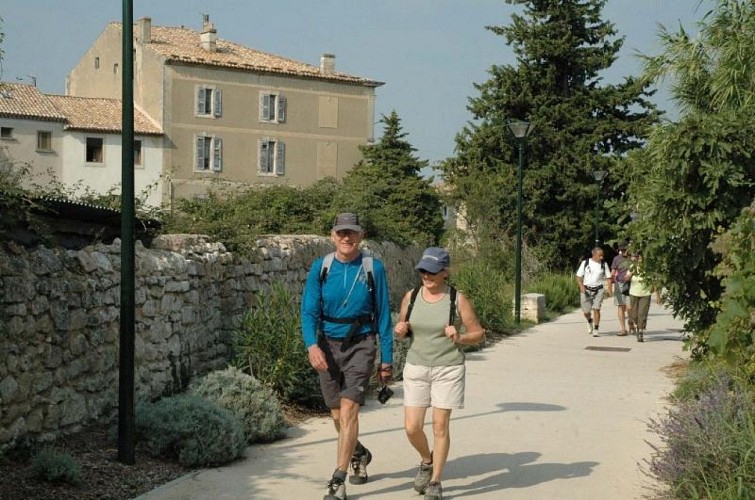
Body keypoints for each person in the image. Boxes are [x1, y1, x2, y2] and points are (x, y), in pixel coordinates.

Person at [301, 213, 393, 500]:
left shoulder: (372, 268)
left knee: (350, 409)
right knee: (336, 414)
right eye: (341, 233)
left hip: (361, 343)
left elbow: (384, 315)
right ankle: (359, 453)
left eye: (351, 233)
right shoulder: (321, 268)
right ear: (332, 236)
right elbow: (308, 311)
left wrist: (386, 359)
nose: (346, 238)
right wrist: (311, 345)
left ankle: (338, 480)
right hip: (326, 345)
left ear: (360, 235)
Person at [393, 247, 484, 500]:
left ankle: (435, 482)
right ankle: (426, 460)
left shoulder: (457, 298)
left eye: (432, 271)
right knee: (412, 428)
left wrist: (461, 337)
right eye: (423, 270)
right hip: (416, 366)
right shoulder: (411, 297)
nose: (426, 275)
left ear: (445, 272)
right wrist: (400, 331)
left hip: (448, 368)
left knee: (440, 426)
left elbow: (479, 333)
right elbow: (404, 329)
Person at [625, 251, 662, 342]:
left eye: (641, 257)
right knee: (633, 314)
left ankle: (640, 331)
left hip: (646, 293)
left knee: (642, 313)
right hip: (633, 293)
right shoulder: (633, 267)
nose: (640, 259)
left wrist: (657, 296)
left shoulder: (649, 268)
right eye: (638, 257)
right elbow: (626, 278)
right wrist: (630, 274)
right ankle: (633, 321)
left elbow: (654, 282)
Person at [576, 247, 613, 337]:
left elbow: (609, 277)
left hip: (599, 290)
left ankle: (596, 328)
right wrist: (581, 286)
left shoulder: (604, 264)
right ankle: (589, 320)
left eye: (602, 256)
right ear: (594, 254)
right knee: (586, 311)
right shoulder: (585, 263)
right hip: (586, 289)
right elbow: (578, 276)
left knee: (596, 309)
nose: (601, 258)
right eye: (600, 256)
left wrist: (609, 289)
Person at [610, 242, 632, 336]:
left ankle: (631, 321)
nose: (623, 251)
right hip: (619, 284)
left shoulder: (633, 258)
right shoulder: (616, 259)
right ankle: (623, 329)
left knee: (629, 307)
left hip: (631, 284)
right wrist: (610, 284)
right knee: (620, 306)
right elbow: (613, 272)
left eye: (625, 249)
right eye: (621, 250)